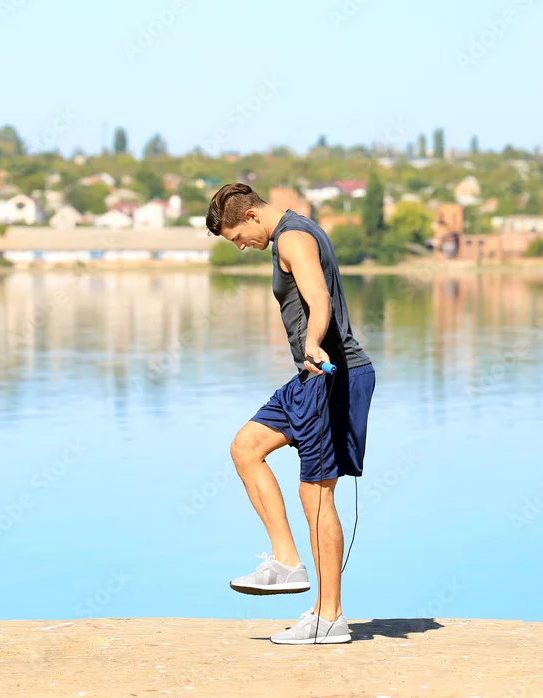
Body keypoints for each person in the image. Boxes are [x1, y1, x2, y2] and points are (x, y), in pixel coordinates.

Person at [205, 183, 376, 645]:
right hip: (309, 378)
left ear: (251, 216)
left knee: (316, 494)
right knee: (246, 447)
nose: (241, 246)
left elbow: (319, 299)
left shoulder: (293, 238)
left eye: (237, 238)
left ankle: (329, 617)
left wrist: (313, 342)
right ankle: (286, 561)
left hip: (333, 374)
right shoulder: (291, 232)